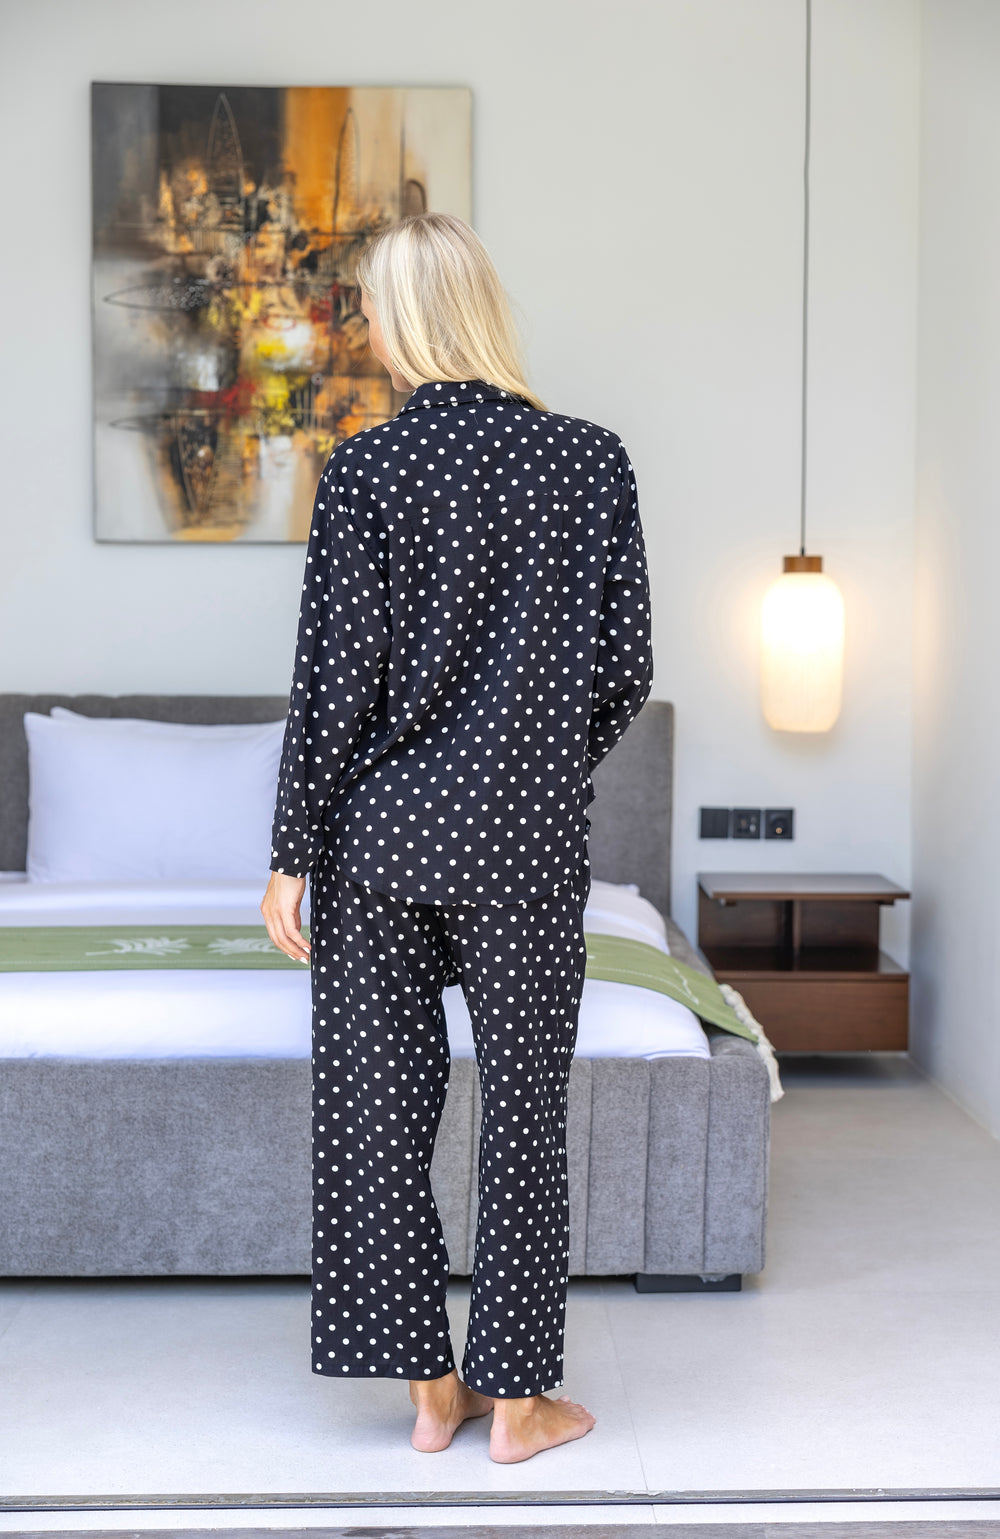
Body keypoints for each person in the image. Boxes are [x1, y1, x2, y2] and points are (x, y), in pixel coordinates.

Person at [261, 211, 652, 1463]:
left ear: (403, 321)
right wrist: (531, 771)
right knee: (525, 1112)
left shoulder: (365, 473)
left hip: (377, 847)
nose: (365, 329)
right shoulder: (591, 464)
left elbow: (334, 686)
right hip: (522, 845)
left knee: (374, 1113)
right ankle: (519, 1404)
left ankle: (430, 1391)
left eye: (371, 308)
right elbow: (622, 672)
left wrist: (292, 849)